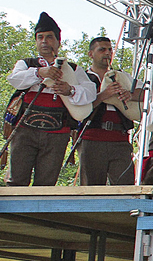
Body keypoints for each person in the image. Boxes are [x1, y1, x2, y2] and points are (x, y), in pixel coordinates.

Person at [6, 12, 96, 186]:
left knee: (47, 183)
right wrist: (39, 72)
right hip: (25, 131)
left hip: (57, 133)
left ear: (58, 42)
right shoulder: (26, 64)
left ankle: (38, 214)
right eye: (40, 37)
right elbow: (14, 79)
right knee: (16, 180)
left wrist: (69, 90)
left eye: (49, 37)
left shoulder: (73, 69)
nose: (44, 41)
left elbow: (90, 92)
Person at [79, 36, 140, 186]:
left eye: (110, 50)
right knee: (91, 189)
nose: (107, 53)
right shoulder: (83, 78)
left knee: (124, 187)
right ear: (91, 54)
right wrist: (103, 96)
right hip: (92, 139)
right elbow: (78, 107)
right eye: (102, 49)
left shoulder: (121, 76)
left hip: (120, 139)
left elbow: (145, 92)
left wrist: (130, 94)